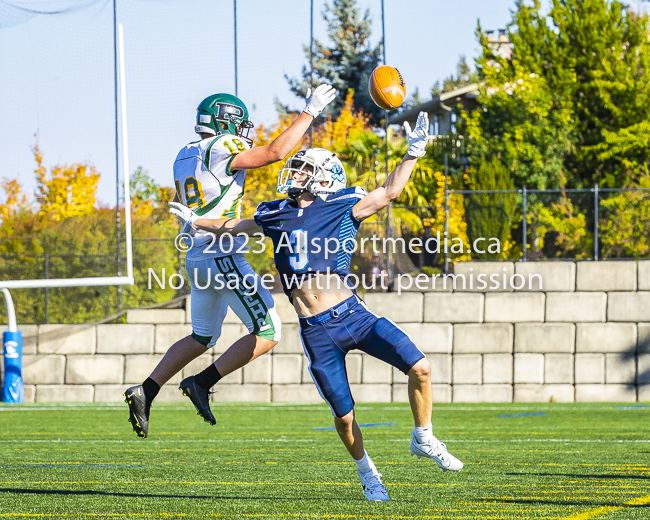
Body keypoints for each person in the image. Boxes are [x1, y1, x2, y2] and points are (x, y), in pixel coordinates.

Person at [169, 112, 463, 502]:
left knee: (421, 367)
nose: (295, 173)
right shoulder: (275, 212)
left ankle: (423, 437)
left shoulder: (343, 205)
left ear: (326, 177)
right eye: (297, 167)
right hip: (316, 331)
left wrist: (413, 152)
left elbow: (389, 192)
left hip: (355, 316)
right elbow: (236, 226)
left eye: (304, 169)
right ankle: (368, 474)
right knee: (343, 419)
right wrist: (196, 221)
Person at [124, 85, 337, 438]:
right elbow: (274, 153)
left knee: (202, 337)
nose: (244, 134)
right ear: (226, 121)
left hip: (196, 256)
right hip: (221, 253)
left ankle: (146, 390)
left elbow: (188, 199)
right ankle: (201, 382)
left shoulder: (183, 153)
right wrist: (310, 111)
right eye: (241, 125)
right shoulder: (222, 146)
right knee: (269, 330)